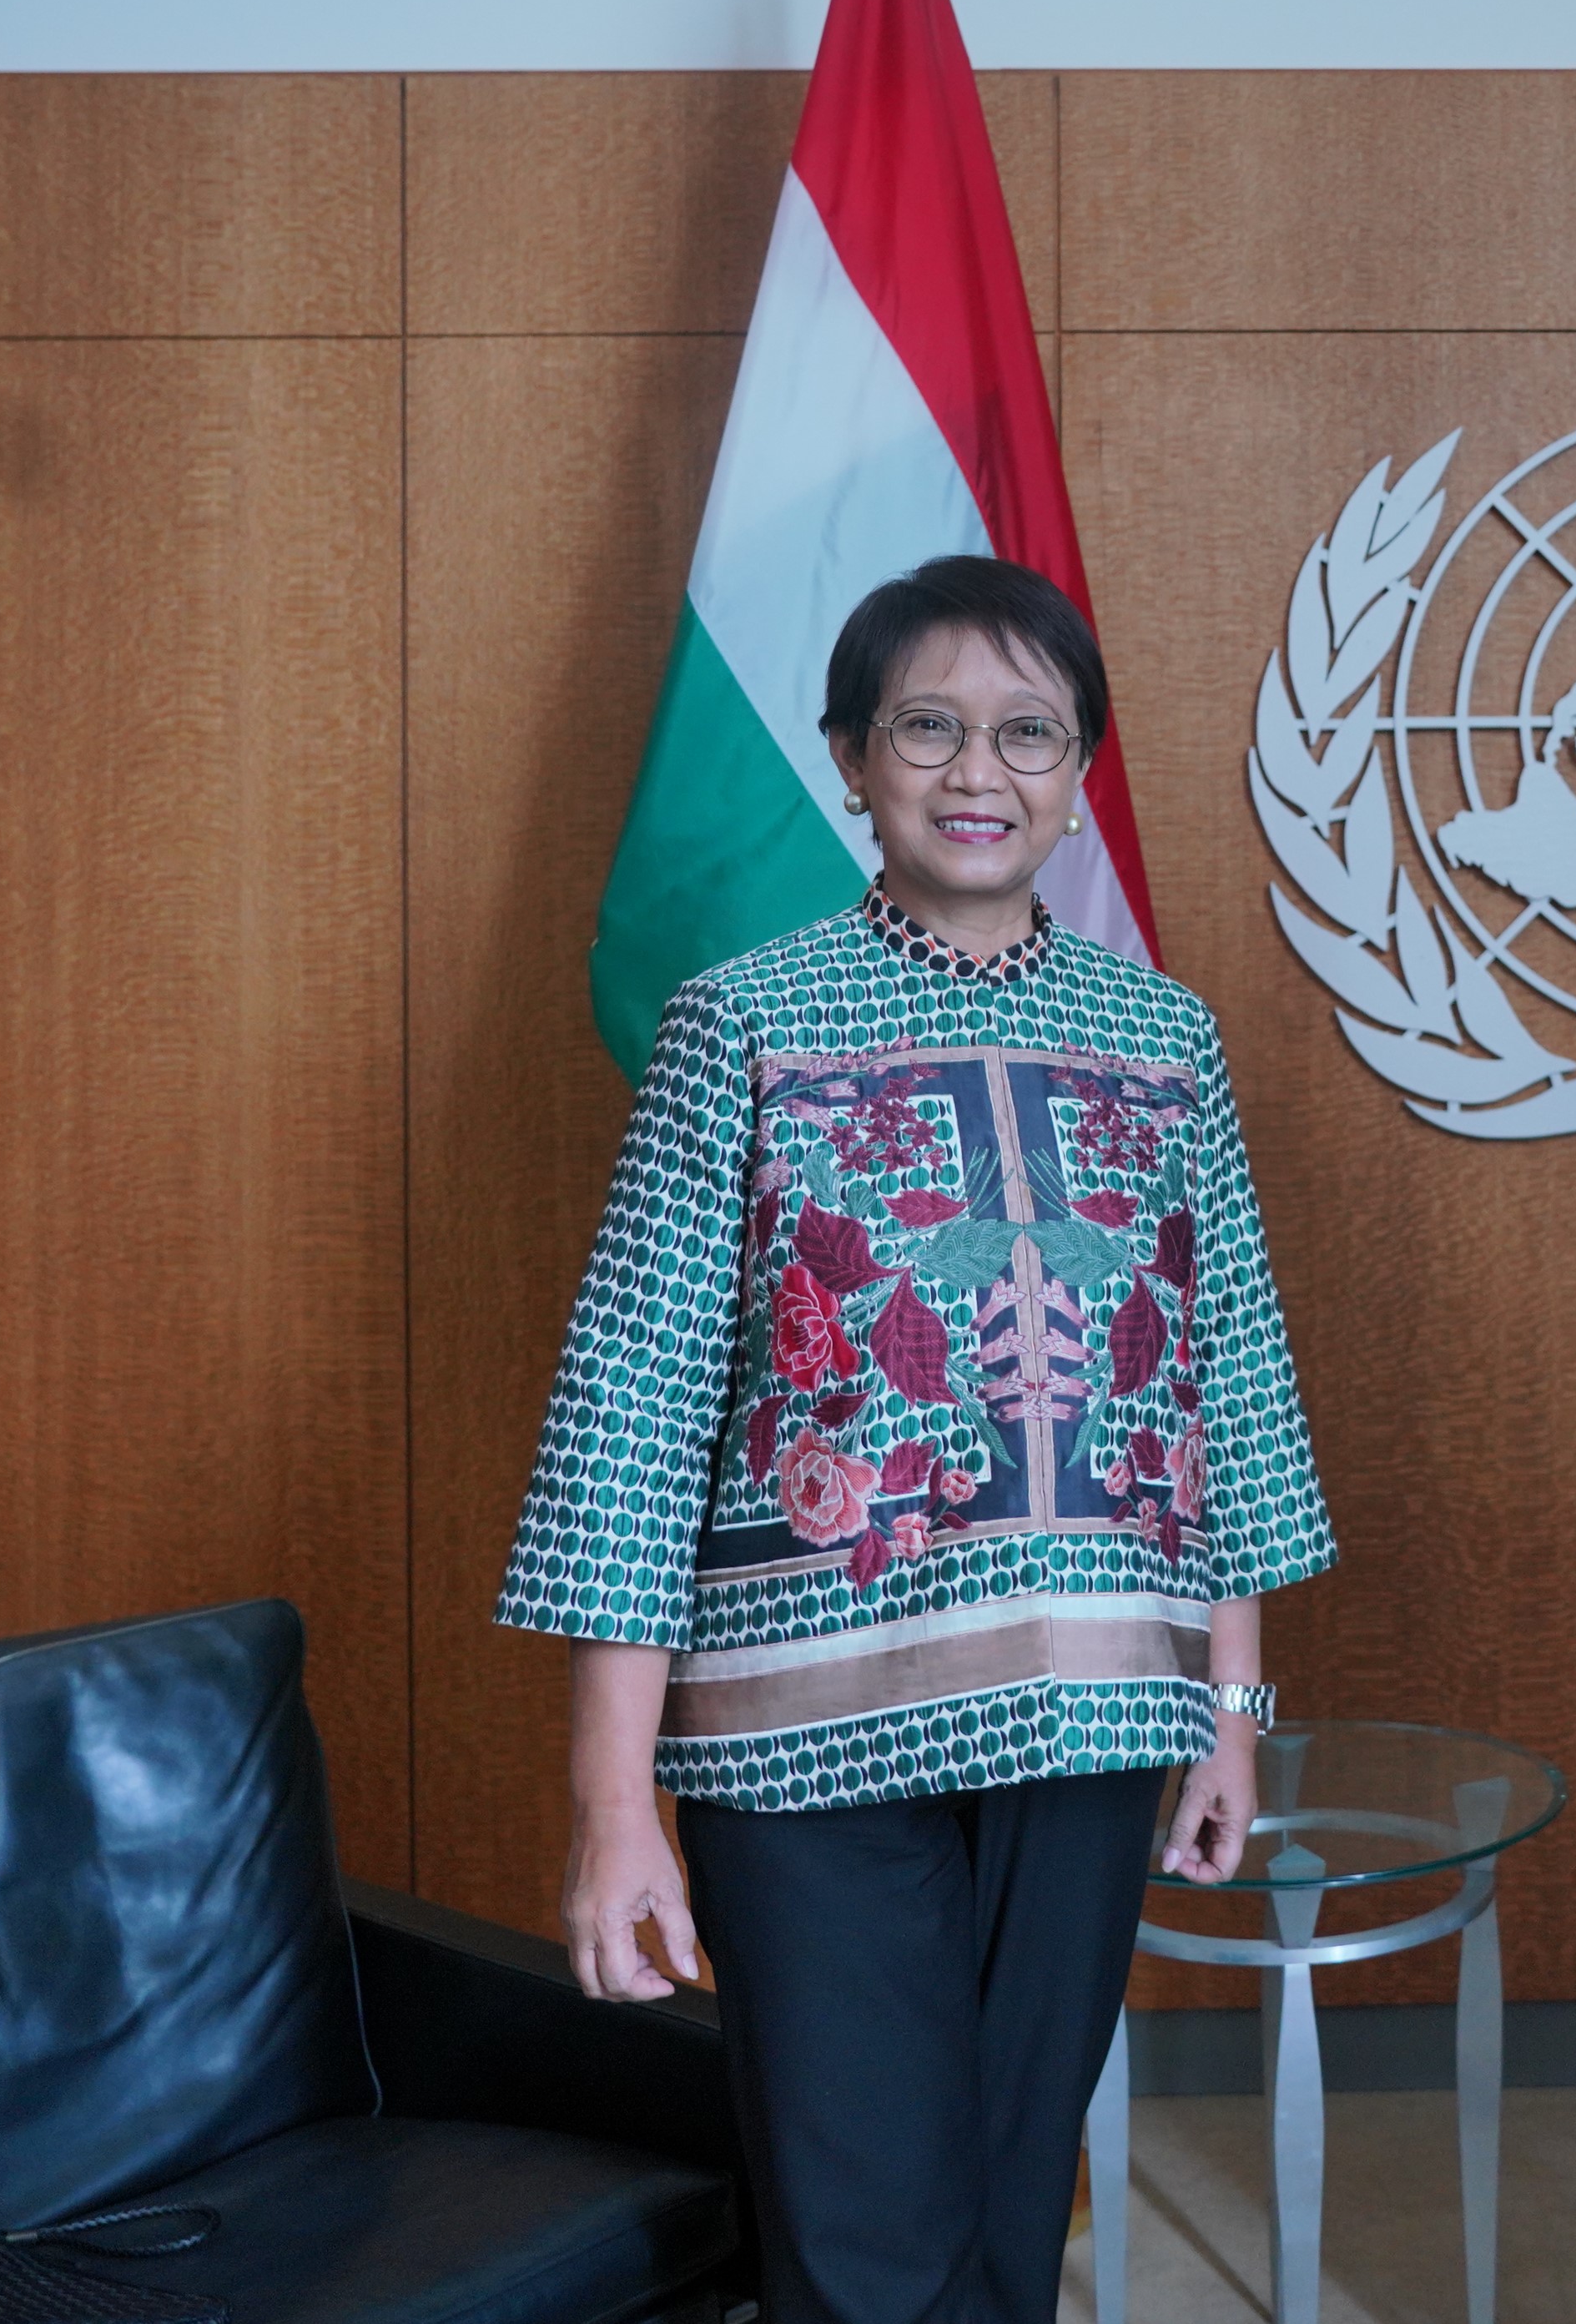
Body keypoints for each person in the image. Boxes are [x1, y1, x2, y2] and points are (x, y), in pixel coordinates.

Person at [496, 555, 1334, 2324]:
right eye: (928, 726)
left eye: (1028, 733)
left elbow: (1231, 1400)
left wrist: (1234, 1717)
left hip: (1095, 1723)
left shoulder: (1163, 1039)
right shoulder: (744, 1020)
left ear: (1078, 771)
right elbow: (627, 1422)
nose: (978, 770)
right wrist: (612, 1805)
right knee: (862, 2239)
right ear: (851, 757)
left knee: (1006, 2226)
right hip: (802, 1740)